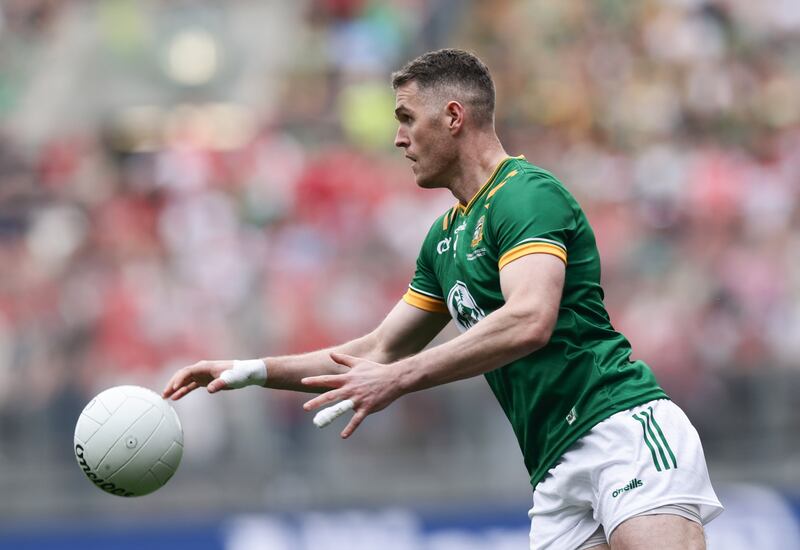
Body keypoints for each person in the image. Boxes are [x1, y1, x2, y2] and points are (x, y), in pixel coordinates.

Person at [162, 49, 723, 550]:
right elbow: (379, 350)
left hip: (619, 426)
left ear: (453, 117)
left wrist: (402, 378)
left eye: (406, 118)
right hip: (554, 468)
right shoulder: (444, 238)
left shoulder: (525, 195)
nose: (397, 138)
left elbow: (530, 319)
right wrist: (251, 370)